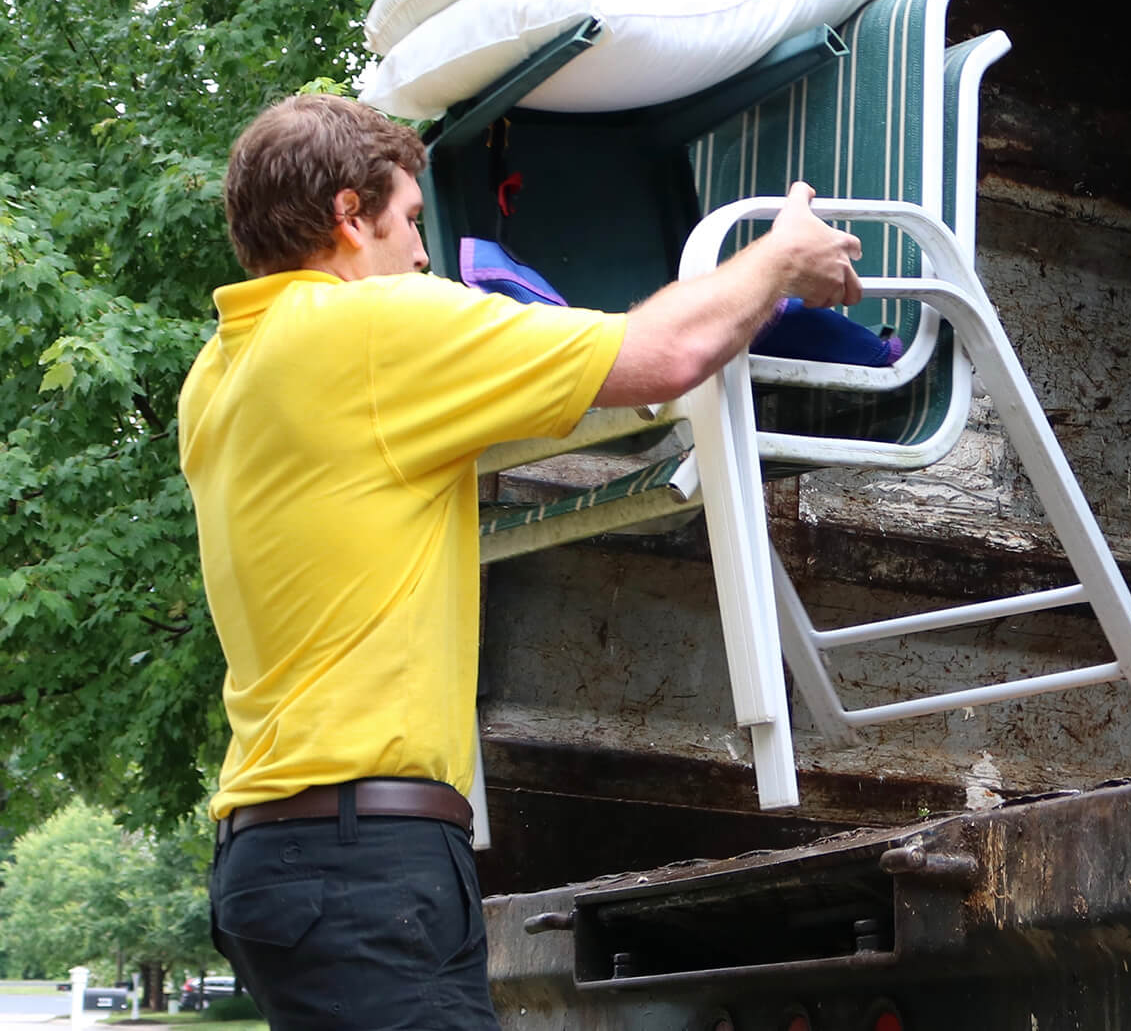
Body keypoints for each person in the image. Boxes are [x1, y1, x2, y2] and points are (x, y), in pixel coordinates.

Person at [179, 93, 863, 1028]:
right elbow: (662, 356)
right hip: (362, 861)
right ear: (348, 215)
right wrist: (780, 256)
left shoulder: (221, 371)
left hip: (283, 855)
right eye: (411, 221)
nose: (424, 254)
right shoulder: (371, 329)